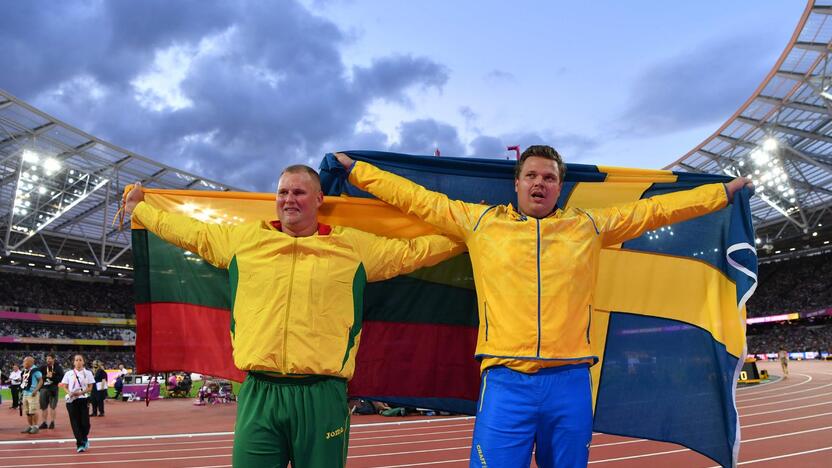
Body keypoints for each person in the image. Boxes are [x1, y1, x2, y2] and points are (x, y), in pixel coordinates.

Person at [334, 146, 753, 467]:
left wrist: (723, 193)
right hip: (505, 381)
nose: (539, 182)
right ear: (516, 183)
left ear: (558, 186)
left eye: (549, 177)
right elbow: (417, 199)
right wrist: (358, 171)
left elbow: (655, 210)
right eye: (531, 175)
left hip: (569, 382)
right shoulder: (480, 223)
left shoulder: (587, 226)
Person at [123, 164, 463, 468]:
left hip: (322, 393)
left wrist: (469, 235)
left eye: (298, 192)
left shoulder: (354, 247)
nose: (289, 199)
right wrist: (142, 209)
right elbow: (190, 233)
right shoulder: (245, 240)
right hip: (260, 390)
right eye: (283, 192)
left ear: (318, 199)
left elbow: (413, 252)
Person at [59, 354, 95, 453]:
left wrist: (80, 393)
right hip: (71, 401)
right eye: (76, 360)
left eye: (80, 360)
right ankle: (80, 444)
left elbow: (90, 387)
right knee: (75, 423)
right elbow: (65, 386)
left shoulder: (88, 373)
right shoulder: (68, 373)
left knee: (85, 423)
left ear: (83, 362)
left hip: (83, 399)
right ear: (73, 362)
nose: (78, 362)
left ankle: (84, 437)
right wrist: (69, 393)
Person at [38, 353, 64, 429]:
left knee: (53, 407)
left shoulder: (58, 368)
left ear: (53, 359)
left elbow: (61, 378)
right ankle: (44, 422)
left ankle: (52, 422)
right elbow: (38, 376)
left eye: (49, 358)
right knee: (43, 407)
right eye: (47, 358)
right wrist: (45, 376)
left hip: (53, 389)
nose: (48, 360)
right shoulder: (43, 367)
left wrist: (53, 377)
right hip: (44, 389)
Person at [19, 356, 43, 434]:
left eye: (24, 361)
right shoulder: (25, 371)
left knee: (33, 410)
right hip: (25, 393)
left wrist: (36, 390)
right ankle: (31, 426)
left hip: (33, 393)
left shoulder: (35, 370)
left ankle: (36, 426)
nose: (23, 363)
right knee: (27, 411)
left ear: (30, 362)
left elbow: (41, 380)